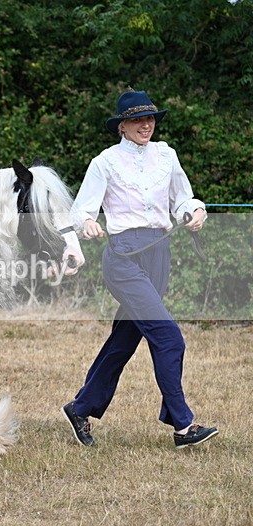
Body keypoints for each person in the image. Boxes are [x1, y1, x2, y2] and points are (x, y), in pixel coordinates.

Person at [62, 90, 218, 449]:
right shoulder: (105, 162)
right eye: (136, 120)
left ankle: (80, 407)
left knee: (124, 340)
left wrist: (192, 212)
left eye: (149, 119)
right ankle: (183, 426)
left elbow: (182, 197)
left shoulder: (166, 155)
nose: (145, 125)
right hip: (123, 257)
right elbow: (81, 210)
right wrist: (87, 224)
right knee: (168, 336)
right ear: (122, 126)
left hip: (158, 253)